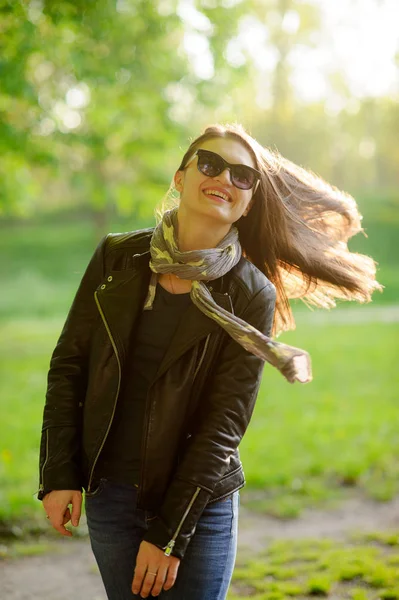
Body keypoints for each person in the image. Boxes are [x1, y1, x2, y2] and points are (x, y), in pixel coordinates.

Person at [38, 123, 381, 599]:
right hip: (110, 493)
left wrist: (170, 534)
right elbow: (69, 366)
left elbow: (224, 423)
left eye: (242, 175)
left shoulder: (249, 292)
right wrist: (58, 474)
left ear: (249, 201)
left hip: (198, 502)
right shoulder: (117, 258)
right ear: (180, 178)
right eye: (210, 163)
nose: (224, 177)